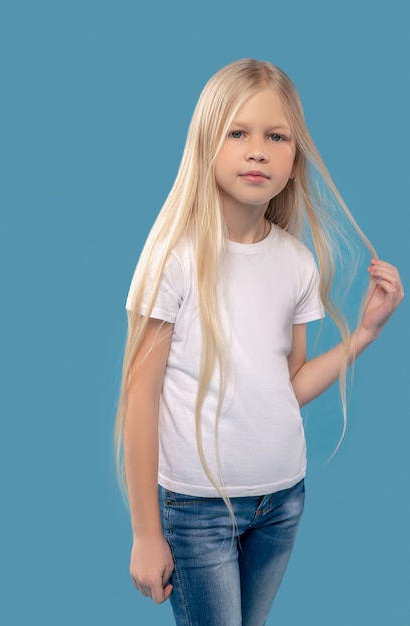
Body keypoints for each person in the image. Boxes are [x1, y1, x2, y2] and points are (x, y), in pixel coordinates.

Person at [114, 59, 403, 626]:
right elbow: (140, 397)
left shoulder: (295, 262)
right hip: (197, 510)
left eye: (276, 136)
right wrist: (146, 532)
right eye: (237, 133)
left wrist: (366, 332)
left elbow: (288, 387)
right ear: (206, 146)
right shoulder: (173, 259)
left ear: (295, 158)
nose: (257, 151)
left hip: (283, 501)